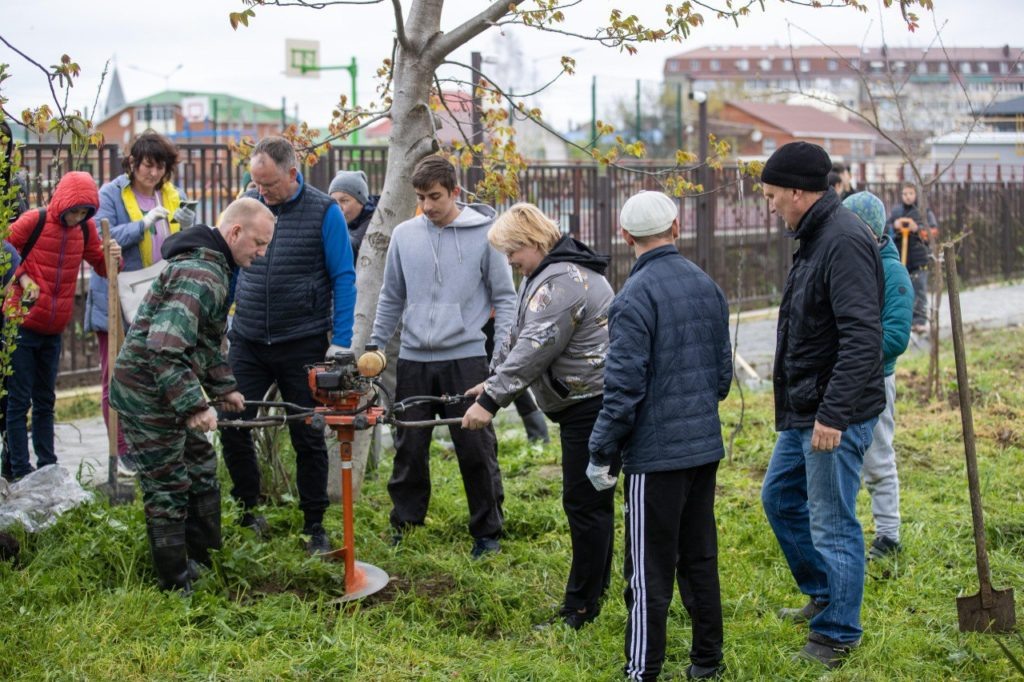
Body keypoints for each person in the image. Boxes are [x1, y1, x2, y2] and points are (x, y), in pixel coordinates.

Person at [588, 191, 732, 681]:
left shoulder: (632, 298)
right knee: (699, 558)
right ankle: (707, 662)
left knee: (647, 571)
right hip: (703, 448)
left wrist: (602, 450)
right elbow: (722, 378)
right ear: (677, 226)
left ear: (626, 237)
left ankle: (641, 671)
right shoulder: (708, 286)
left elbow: (623, 388)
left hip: (655, 458)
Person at [759, 141, 885, 669]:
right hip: (805, 404)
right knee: (780, 499)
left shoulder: (842, 240)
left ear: (796, 191)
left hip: (834, 410)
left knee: (833, 522)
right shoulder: (815, 236)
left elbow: (862, 337)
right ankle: (824, 592)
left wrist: (833, 415)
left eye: (771, 195)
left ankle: (838, 633)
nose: (769, 205)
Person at [461, 202, 615, 627]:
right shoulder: (545, 274)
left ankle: (580, 609)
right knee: (592, 503)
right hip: (581, 404)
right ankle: (594, 593)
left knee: (584, 506)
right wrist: (490, 382)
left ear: (531, 241)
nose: (508, 261)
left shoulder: (561, 280)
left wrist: (490, 402)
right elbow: (518, 335)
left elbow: (537, 346)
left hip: (592, 405)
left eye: (511, 252)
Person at [111, 198, 274, 592]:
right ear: (235, 232)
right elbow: (164, 347)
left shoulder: (217, 267)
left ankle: (204, 558)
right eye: (258, 242)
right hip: (146, 392)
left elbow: (203, 342)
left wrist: (225, 389)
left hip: (166, 384)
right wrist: (195, 406)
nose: (262, 253)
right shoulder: (201, 274)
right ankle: (176, 583)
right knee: (168, 482)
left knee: (200, 461)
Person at [370, 155, 515, 558]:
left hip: (466, 358)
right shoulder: (404, 235)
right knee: (409, 445)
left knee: (475, 446)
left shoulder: (486, 234)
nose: (428, 205)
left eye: (435, 196)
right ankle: (406, 523)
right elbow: (391, 295)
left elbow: (505, 298)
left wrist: (499, 357)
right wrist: (374, 345)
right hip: (414, 359)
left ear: (454, 191)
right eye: (420, 198)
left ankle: (488, 532)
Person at [218, 136, 356, 553]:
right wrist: (222, 317)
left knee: (308, 433)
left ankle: (314, 524)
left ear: (292, 174)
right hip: (249, 338)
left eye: (270, 184)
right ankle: (247, 509)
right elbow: (229, 265)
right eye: (256, 183)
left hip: (303, 340)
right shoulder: (248, 204)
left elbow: (343, 276)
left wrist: (342, 342)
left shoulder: (324, 212)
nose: (261, 192)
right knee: (233, 421)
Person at [87, 131, 196, 477]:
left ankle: (153, 443)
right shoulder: (112, 193)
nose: (153, 174)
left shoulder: (173, 195)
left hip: (160, 294)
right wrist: (141, 226)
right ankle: (121, 451)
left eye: (160, 166)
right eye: (147, 165)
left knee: (157, 373)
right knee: (116, 376)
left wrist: (188, 225)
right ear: (132, 163)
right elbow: (101, 236)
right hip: (119, 297)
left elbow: (183, 239)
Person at [4, 171, 120, 480]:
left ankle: (47, 465)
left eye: (85, 213)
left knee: (45, 400)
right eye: (74, 211)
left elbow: (102, 265)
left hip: (53, 331)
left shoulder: (83, 231)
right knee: (19, 401)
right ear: (63, 204)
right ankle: (19, 469)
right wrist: (23, 276)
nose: (78, 217)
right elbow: (4, 251)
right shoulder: (35, 220)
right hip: (21, 324)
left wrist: (114, 258)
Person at [844, 192, 913, 560]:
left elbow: (897, 336)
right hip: (846, 378)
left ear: (870, 231)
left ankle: (889, 535)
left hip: (875, 380)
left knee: (878, 457)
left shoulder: (891, 272)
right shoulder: (856, 264)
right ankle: (845, 532)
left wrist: (853, 355)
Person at [885, 182, 936, 334]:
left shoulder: (923, 212)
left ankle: (919, 321)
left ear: (916, 195)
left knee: (919, 288)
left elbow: (932, 232)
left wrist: (918, 229)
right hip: (901, 259)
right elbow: (886, 230)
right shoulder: (896, 212)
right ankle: (902, 321)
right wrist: (894, 225)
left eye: (910, 194)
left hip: (919, 259)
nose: (908, 197)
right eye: (905, 194)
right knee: (901, 290)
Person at [328, 169, 378, 263]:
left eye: (345, 201)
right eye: (333, 201)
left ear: (362, 201)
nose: (338, 208)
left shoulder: (373, 226)